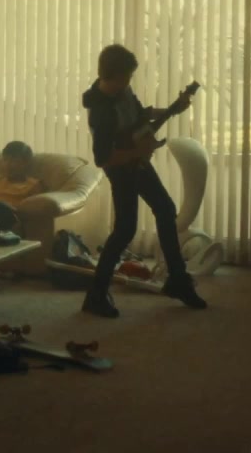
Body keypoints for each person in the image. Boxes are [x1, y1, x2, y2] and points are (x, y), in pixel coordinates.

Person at [81, 43, 206, 318]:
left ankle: (177, 280)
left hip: (136, 161)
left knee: (165, 208)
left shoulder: (122, 90)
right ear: (112, 75)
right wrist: (137, 152)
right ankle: (96, 295)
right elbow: (103, 159)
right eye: (126, 76)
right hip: (121, 168)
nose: (129, 81)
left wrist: (170, 109)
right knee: (125, 230)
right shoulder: (101, 112)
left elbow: (139, 115)